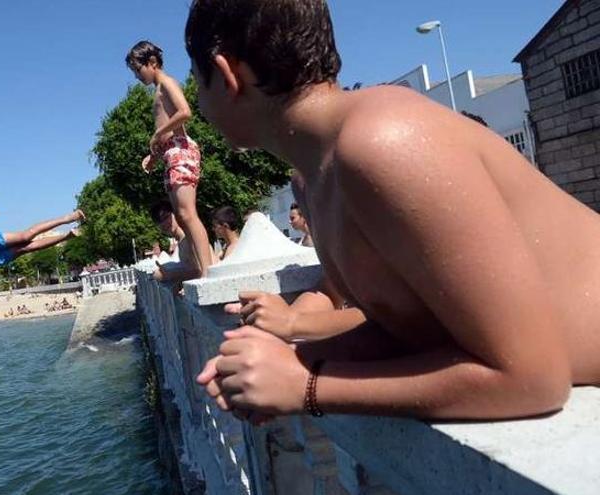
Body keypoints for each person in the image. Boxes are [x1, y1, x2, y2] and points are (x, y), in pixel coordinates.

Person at [187, 0, 600, 420]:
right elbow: (415, 329)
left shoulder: (380, 141)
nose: (200, 106)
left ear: (227, 74)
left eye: (198, 83)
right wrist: (289, 362)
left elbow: (533, 380)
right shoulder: (319, 175)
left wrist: (307, 387)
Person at [127, 40, 213, 277]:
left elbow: (185, 112)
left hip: (180, 151)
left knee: (187, 214)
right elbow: (167, 130)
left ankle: (207, 270)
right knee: (183, 219)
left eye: (138, 69)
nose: (137, 76)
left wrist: (157, 134)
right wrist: (154, 155)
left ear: (152, 63)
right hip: (169, 154)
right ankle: (198, 267)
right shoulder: (158, 90)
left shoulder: (166, 83)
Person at [150, 200, 201, 284]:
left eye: (166, 217)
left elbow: (201, 269)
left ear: (175, 214)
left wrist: (169, 274)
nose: (164, 223)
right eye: (159, 222)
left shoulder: (189, 238)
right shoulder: (181, 242)